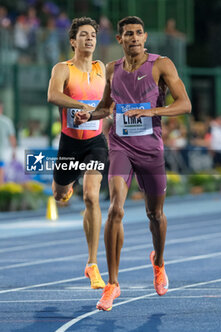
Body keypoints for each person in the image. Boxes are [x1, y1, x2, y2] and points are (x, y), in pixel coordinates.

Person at [74, 16, 192, 311]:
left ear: (145, 36)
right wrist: (90, 116)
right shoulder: (112, 70)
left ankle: (159, 261)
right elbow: (104, 108)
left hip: (151, 149)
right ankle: (113, 285)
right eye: (129, 34)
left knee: (156, 215)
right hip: (121, 146)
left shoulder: (161, 65)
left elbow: (185, 104)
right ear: (120, 40)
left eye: (139, 33)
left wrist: (153, 112)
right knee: (115, 208)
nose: (135, 38)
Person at [47, 17, 109, 289]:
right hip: (70, 144)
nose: (89, 39)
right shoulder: (63, 68)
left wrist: (98, 113)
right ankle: (64, 187)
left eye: (93, 35)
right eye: (83, 35)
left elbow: (108, 104)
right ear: (73, 41)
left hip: (95, 142)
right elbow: (53, 96)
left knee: (92, 196)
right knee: (60, 195)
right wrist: (80, 105)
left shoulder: (102, 69)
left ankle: (92, 263)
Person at [0, 101, 17, 185]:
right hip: (1, 154)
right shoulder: (6, 121)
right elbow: (12, 138)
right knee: (1, 179)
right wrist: (14, 151)